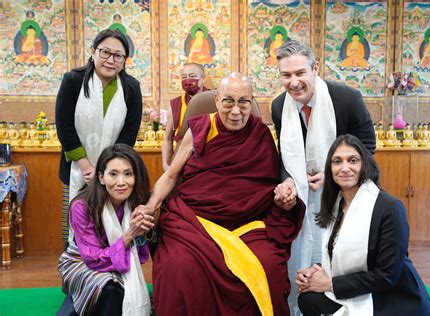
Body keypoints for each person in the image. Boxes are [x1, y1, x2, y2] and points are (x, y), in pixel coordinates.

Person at [143, 72, 304, 315]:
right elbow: (170, 176)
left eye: (243, 102)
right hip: (194, 220)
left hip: (249, 222)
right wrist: (149, 206)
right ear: (217, 100)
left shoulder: (260, 134)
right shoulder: (202, 128)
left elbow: (268, 183)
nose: (236, 110)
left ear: (251, 102)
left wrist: (285, 194)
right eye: (229, 101)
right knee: (178, 265)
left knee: (269, 265)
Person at [271, 40, 375, 315]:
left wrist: (333, 178)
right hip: (303, 199)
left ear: (315, 68)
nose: (293, 82)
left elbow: (367, 149)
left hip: (346, 194)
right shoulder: (279, 106)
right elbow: (285, 157)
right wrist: (290, 181)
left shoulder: (347, 99)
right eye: (286, 75)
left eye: (300, 73)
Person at [295, 134, 430, 315]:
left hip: (391, 296)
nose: (344, 168)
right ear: (330, 169)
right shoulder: (337, 205)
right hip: (362, 287)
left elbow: (386, 276)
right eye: (337, 161)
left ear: (364, 165)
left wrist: (328, 283)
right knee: (307, 298)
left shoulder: (390, 208)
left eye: (352, 160)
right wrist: (317, 271)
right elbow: (343, 252)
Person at [55, 29, 143, 242]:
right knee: (76, 227)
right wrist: (86, 168)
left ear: (124, 61)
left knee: (112, 228)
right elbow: (64, 126)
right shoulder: (73, 80)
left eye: (118, 56)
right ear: (93, 52)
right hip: (77, 169)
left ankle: (112, 271)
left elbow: (129, 134)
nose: (110, 60)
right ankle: (77, 272)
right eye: (105, 52)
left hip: (114, 173)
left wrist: (106, 171)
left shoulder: (131, 88)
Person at [57, 144, 154, 316]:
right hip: (81, 260)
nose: (121, 182)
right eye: (113, 174)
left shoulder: (137, 202)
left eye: (128, 174)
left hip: (122, 258)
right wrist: (130, 234)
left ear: (136, 177)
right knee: (110, 288)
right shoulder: (82, 206)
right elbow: (92, 258)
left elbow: (140, 255)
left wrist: (141, 232)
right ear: (101, 177)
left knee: (120, 290)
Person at [162, 62, 207, 171]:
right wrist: (165, 164)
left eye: (192, 76)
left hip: (208, 158)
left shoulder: (214, 100)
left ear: (203, 79)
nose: (187, 80)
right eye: (184, 77)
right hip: (182, 158)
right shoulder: (176, 104)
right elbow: (168, 138)